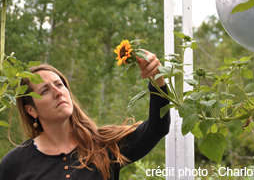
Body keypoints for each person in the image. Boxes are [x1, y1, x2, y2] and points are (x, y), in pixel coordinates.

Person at [0, 50, 170, 180]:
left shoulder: (104, 146)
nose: (58, 93)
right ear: (31, 110)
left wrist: (156, 77)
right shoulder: (14, 165)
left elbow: (157, 128)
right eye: (45, 90)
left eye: (59, 84)